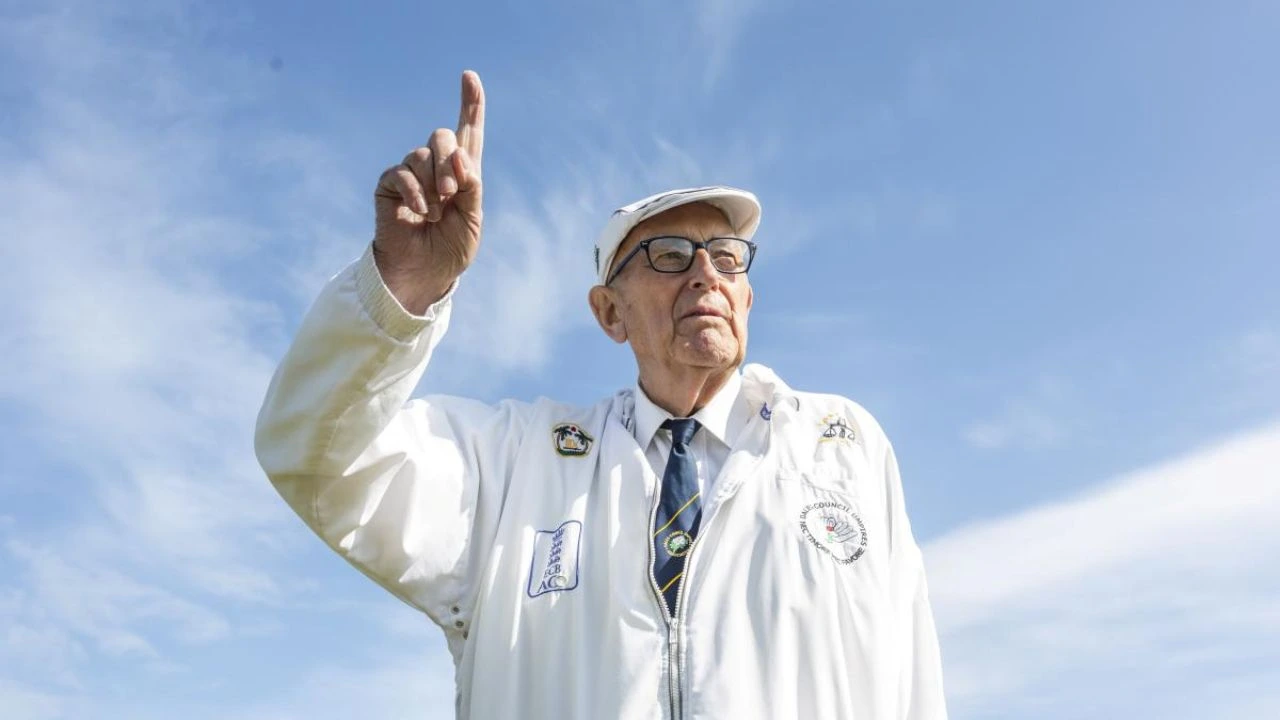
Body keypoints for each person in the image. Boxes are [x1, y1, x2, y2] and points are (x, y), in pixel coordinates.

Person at [256, 70, 947, 719]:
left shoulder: (842, 445)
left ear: (747, 295)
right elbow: (320, 457)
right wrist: (403, 287)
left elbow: (914, 684)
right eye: (670, 256)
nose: (705, 273)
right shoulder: (513, 468)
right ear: (608, 312)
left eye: (727, 257)